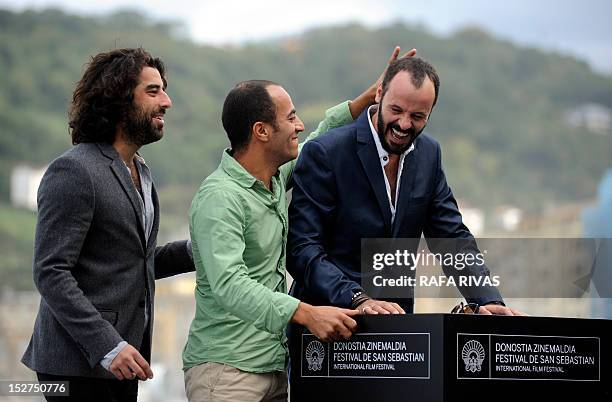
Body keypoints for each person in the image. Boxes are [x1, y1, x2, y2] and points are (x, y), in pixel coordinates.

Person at [183, 48, 415, 402]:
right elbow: (229, 284)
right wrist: (305, 313)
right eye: (291, 118)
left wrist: (369, 99)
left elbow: (319, 139)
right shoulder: (220, 198)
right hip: (226, 373)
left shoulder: (274, 178)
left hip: (273, 368)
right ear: (261, 131)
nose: (299, 125)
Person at [21, 48, 195, 402]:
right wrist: (108, 345)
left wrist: (201, 249)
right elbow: (51, 272)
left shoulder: (141, 172)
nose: (167, 101)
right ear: (119, 100)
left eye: (163, 90)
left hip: (121, 358)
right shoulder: (74, 171)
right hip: (76, 365)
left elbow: (134, 261)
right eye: (153, 91)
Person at [287, 57, 524, 316]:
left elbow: (452, 237)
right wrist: (357, 298)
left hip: (399, 330)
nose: (404, 124)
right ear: (379, 94)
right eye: (396, 110)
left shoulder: (429, 154)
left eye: (417, 116)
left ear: (431, 111)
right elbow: (302, 249)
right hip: (328, 327)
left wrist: (489, 300)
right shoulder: (326, 152)